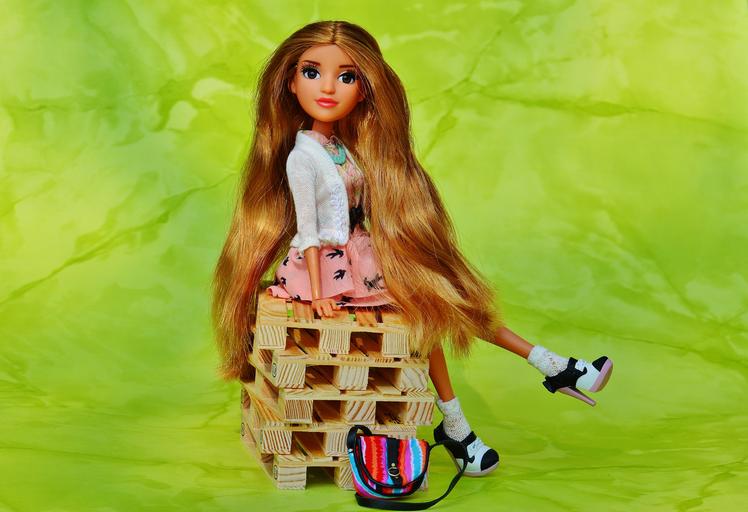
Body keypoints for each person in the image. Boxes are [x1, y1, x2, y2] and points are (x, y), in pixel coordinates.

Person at [212, 20, 613, 478]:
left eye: (346, 76)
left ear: (365, 89)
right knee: (431, 314)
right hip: (327, 269)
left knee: (444, 304)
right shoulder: (301, 157)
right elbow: (308, 230)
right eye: (311, 72)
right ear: (289, 82)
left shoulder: (343, 146)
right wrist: (320, 293)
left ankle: (539, 371)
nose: (327, 88)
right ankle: (507, 397)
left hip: (362, 256)